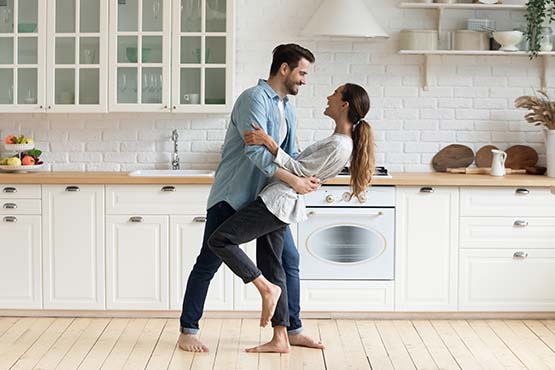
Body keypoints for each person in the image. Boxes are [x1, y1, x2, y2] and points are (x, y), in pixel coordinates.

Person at [207, 83, 375, 353]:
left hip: (276, 202)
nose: (328, 95)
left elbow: (297, 170)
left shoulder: (339, 143)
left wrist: (270, 143)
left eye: (335, 93)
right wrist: (289, 150)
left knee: (221, 240)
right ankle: (281, 336)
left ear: (344, 105)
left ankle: (264, 288)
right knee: (276, 265)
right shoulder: (339, 141)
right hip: (279, 201)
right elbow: (301, 167)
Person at [178, 44, 324, 352]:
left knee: (289, 260)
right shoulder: (253, 100)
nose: (304, 80)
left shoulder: (287, 107)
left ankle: (292, 329)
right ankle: (188, 330)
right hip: (233, 195)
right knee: (209, 261)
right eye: (301, 73)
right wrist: (294, 180)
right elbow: (255, 152)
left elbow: (290, 154)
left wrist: (302, 175)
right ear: (284, 69)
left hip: (266, 200)